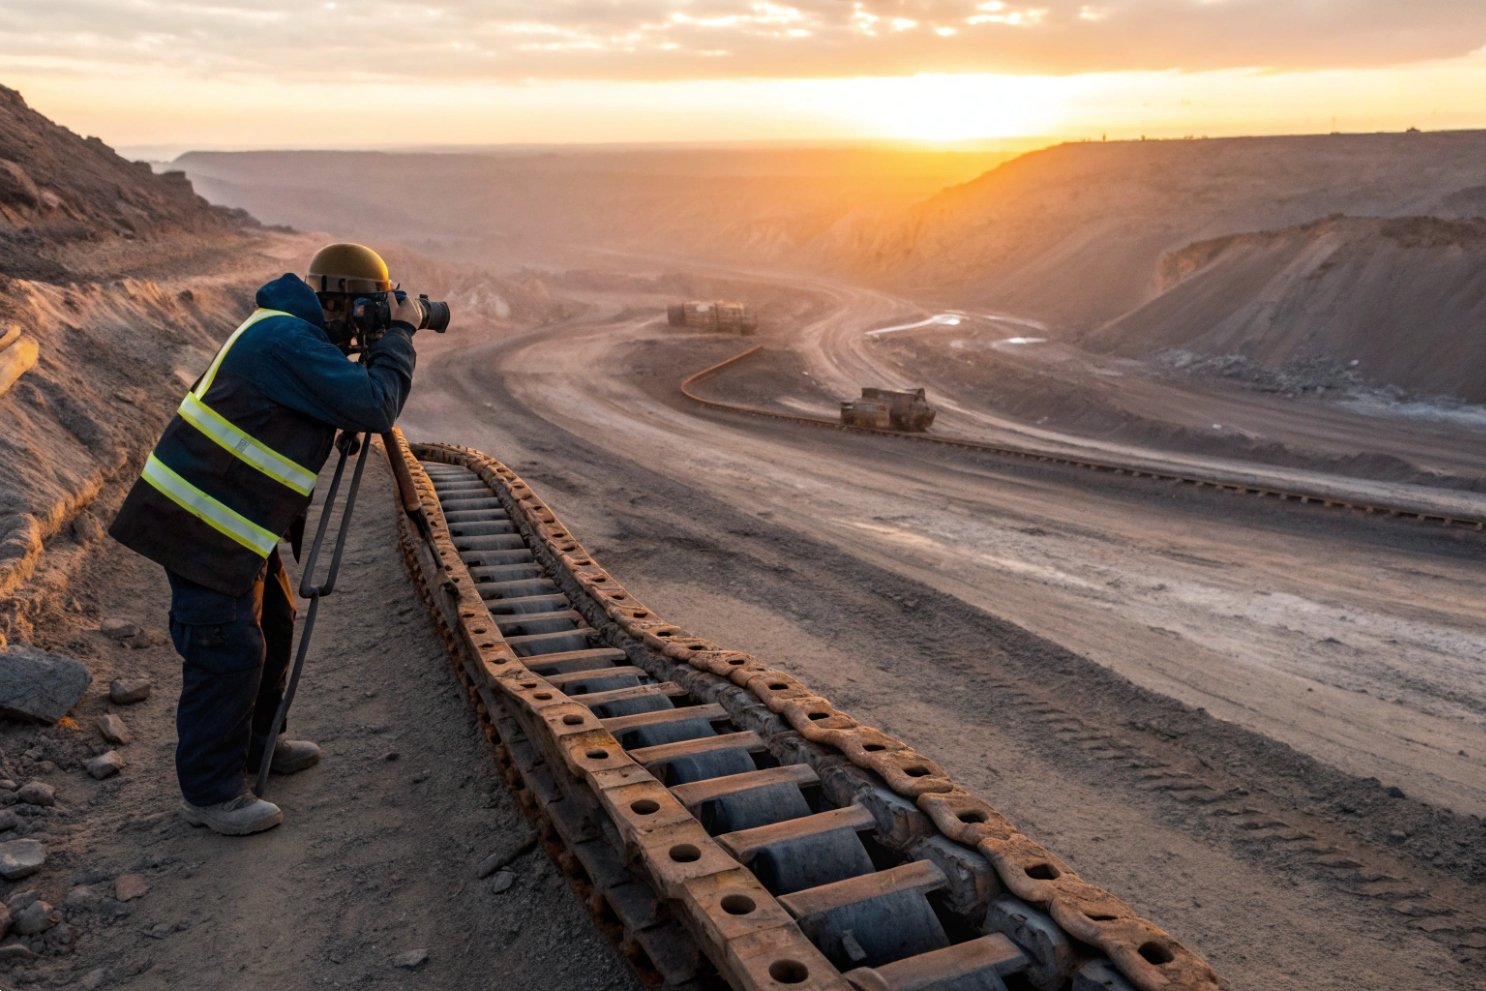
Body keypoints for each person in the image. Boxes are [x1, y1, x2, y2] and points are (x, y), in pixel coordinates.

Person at [109, 243, 420, 836]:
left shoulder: (292, 332)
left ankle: (258, 746)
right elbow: (377, 404)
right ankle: (210, 795)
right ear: (341, 303)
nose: (374, 321)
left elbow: (305, 406)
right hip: (201, 524)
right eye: (370, 310)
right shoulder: (287, 340)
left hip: (234, 521)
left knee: (274, 625)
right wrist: (398, 340)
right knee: (227, 651)